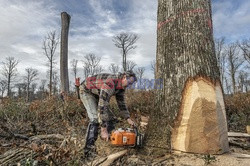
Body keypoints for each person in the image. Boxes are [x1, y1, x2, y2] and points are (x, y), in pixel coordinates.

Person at [79, 70, 137, 156]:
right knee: (95, 119)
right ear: (124, 77)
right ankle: (88, 151)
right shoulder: (110, 84)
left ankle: (110, 143)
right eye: (129, 82)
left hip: (96, 92)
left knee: (111, 118)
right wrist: (103, 129)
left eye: (131, 83)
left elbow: (121, 103)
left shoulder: (121, 87)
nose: (129, 85)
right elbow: (102, 107)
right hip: (86, 91)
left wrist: (128, 118)